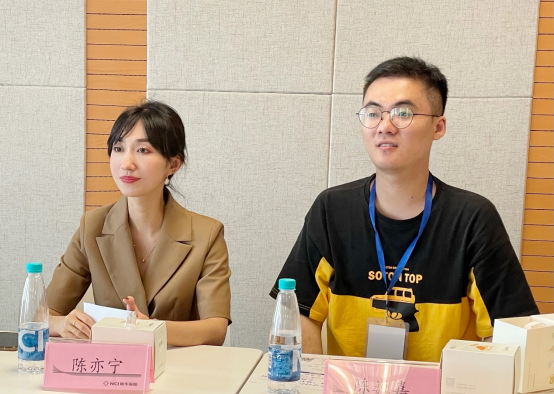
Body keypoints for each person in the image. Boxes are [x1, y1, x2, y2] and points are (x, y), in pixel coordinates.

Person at [270, 57, 539, 362]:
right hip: (349, 389)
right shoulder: (332, 210)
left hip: (442, 390)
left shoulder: (472, 219)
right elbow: (299, 311)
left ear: (438, 126)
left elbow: (507, 332)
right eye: (373, 113)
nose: (385, 126)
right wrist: (313, 382)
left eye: (403, 113)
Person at [47, 101, 231, 347]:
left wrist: (151, 328)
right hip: (112, 364)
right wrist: (61, 324)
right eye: (118, 148)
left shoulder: (207, 234)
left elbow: (215, 329)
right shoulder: (92, 226)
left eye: (143, 150)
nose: (126, 163)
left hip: (179, 365)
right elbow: (41, 315)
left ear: (173, 165)